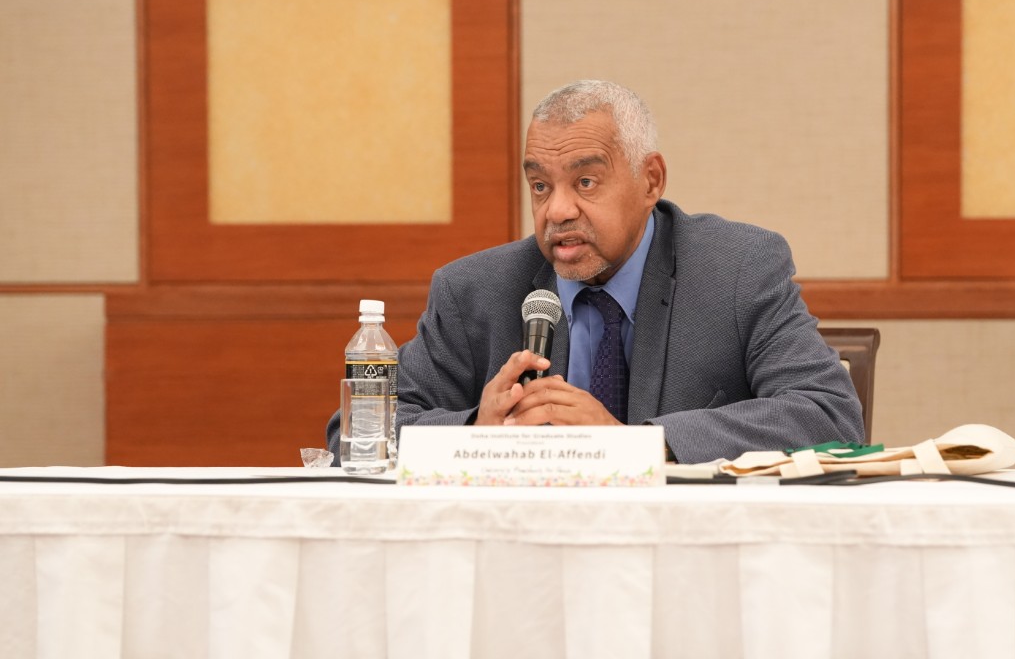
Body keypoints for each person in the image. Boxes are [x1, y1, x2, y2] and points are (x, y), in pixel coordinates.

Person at [326, 80, 863, 464]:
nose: (556, 211)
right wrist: (477, 430)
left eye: (585, 182)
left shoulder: (737, 269)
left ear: (651, 181)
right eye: (541, 186)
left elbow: (828, 414)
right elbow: (354, 434)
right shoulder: (475, 291)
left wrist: (636, 443)